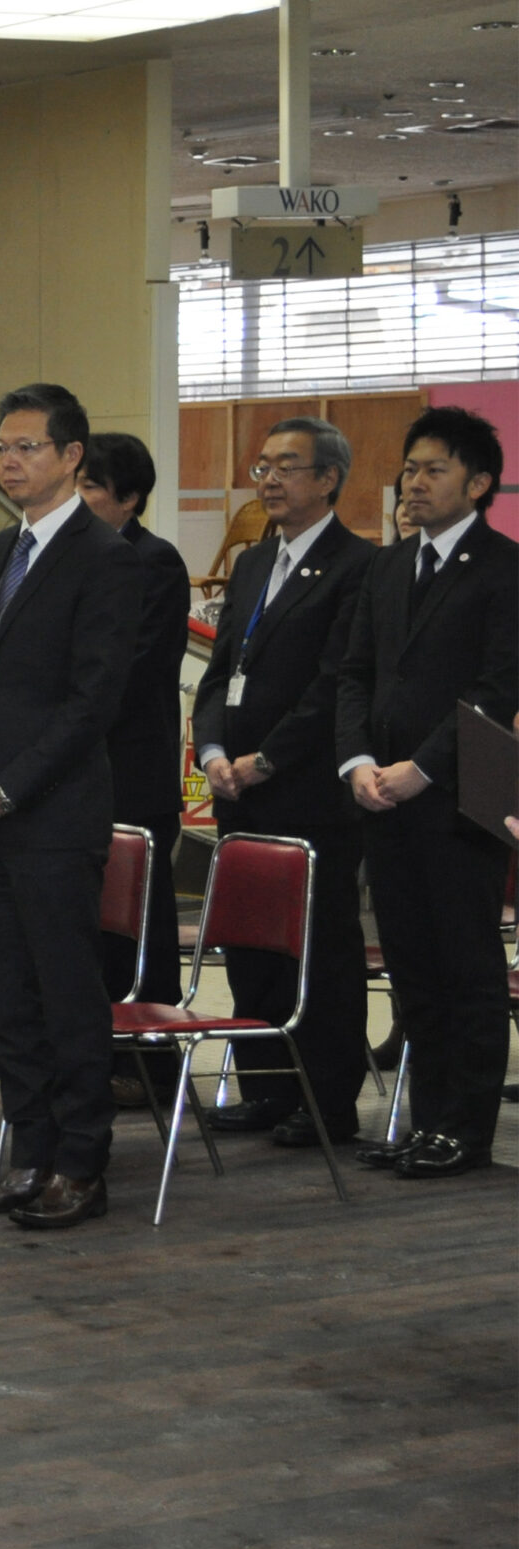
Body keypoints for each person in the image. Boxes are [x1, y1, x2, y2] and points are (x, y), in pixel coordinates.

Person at [0, 384, 137, 1229]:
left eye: (26, 447)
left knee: (65, 996)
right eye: (0, 447)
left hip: (51, 818)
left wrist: (8, 788)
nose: (9, 461)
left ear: (71, 455)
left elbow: (93, 703)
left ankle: (81, 1167)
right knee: (5, 999)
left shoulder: (106, 558)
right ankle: (31, 1157)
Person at [338, 406, 519, 1179]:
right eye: (409, 468)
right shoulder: (387, 565)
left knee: (467, 966)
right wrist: (357, 763)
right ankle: (425, 1120)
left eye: (433, 469)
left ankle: (466, 1130)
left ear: (478, 484)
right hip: (382, 796)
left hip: (458, 797)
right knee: (411, 965)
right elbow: (353, 675)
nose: (414, 482)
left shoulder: (505, 568)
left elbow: (496, 686)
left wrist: (422, 767)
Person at [187, 417, 375, 1145]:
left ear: (328, 478)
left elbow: (334, 686)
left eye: (287, 466)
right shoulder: (255, 563)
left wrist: (265, 759)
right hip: (238, 791)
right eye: (263, 465)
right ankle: (264, 1087)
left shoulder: (357, 566)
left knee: (317, 953)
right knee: (252, 948)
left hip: (306, 794)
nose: (268, 478)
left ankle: (325, 1103)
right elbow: (218, 669)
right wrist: (209, 752)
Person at [76, 434, 192, 1049]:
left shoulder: (155, 561)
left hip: (131, 775)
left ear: (130, 497)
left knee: (140, 927)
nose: (80, 497)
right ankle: (94, 1048)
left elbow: (133, 669)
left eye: (92, 486)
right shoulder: (70, 560)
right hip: (80, 777)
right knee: (89, 928)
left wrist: (65, 719)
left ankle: (148, 1055)